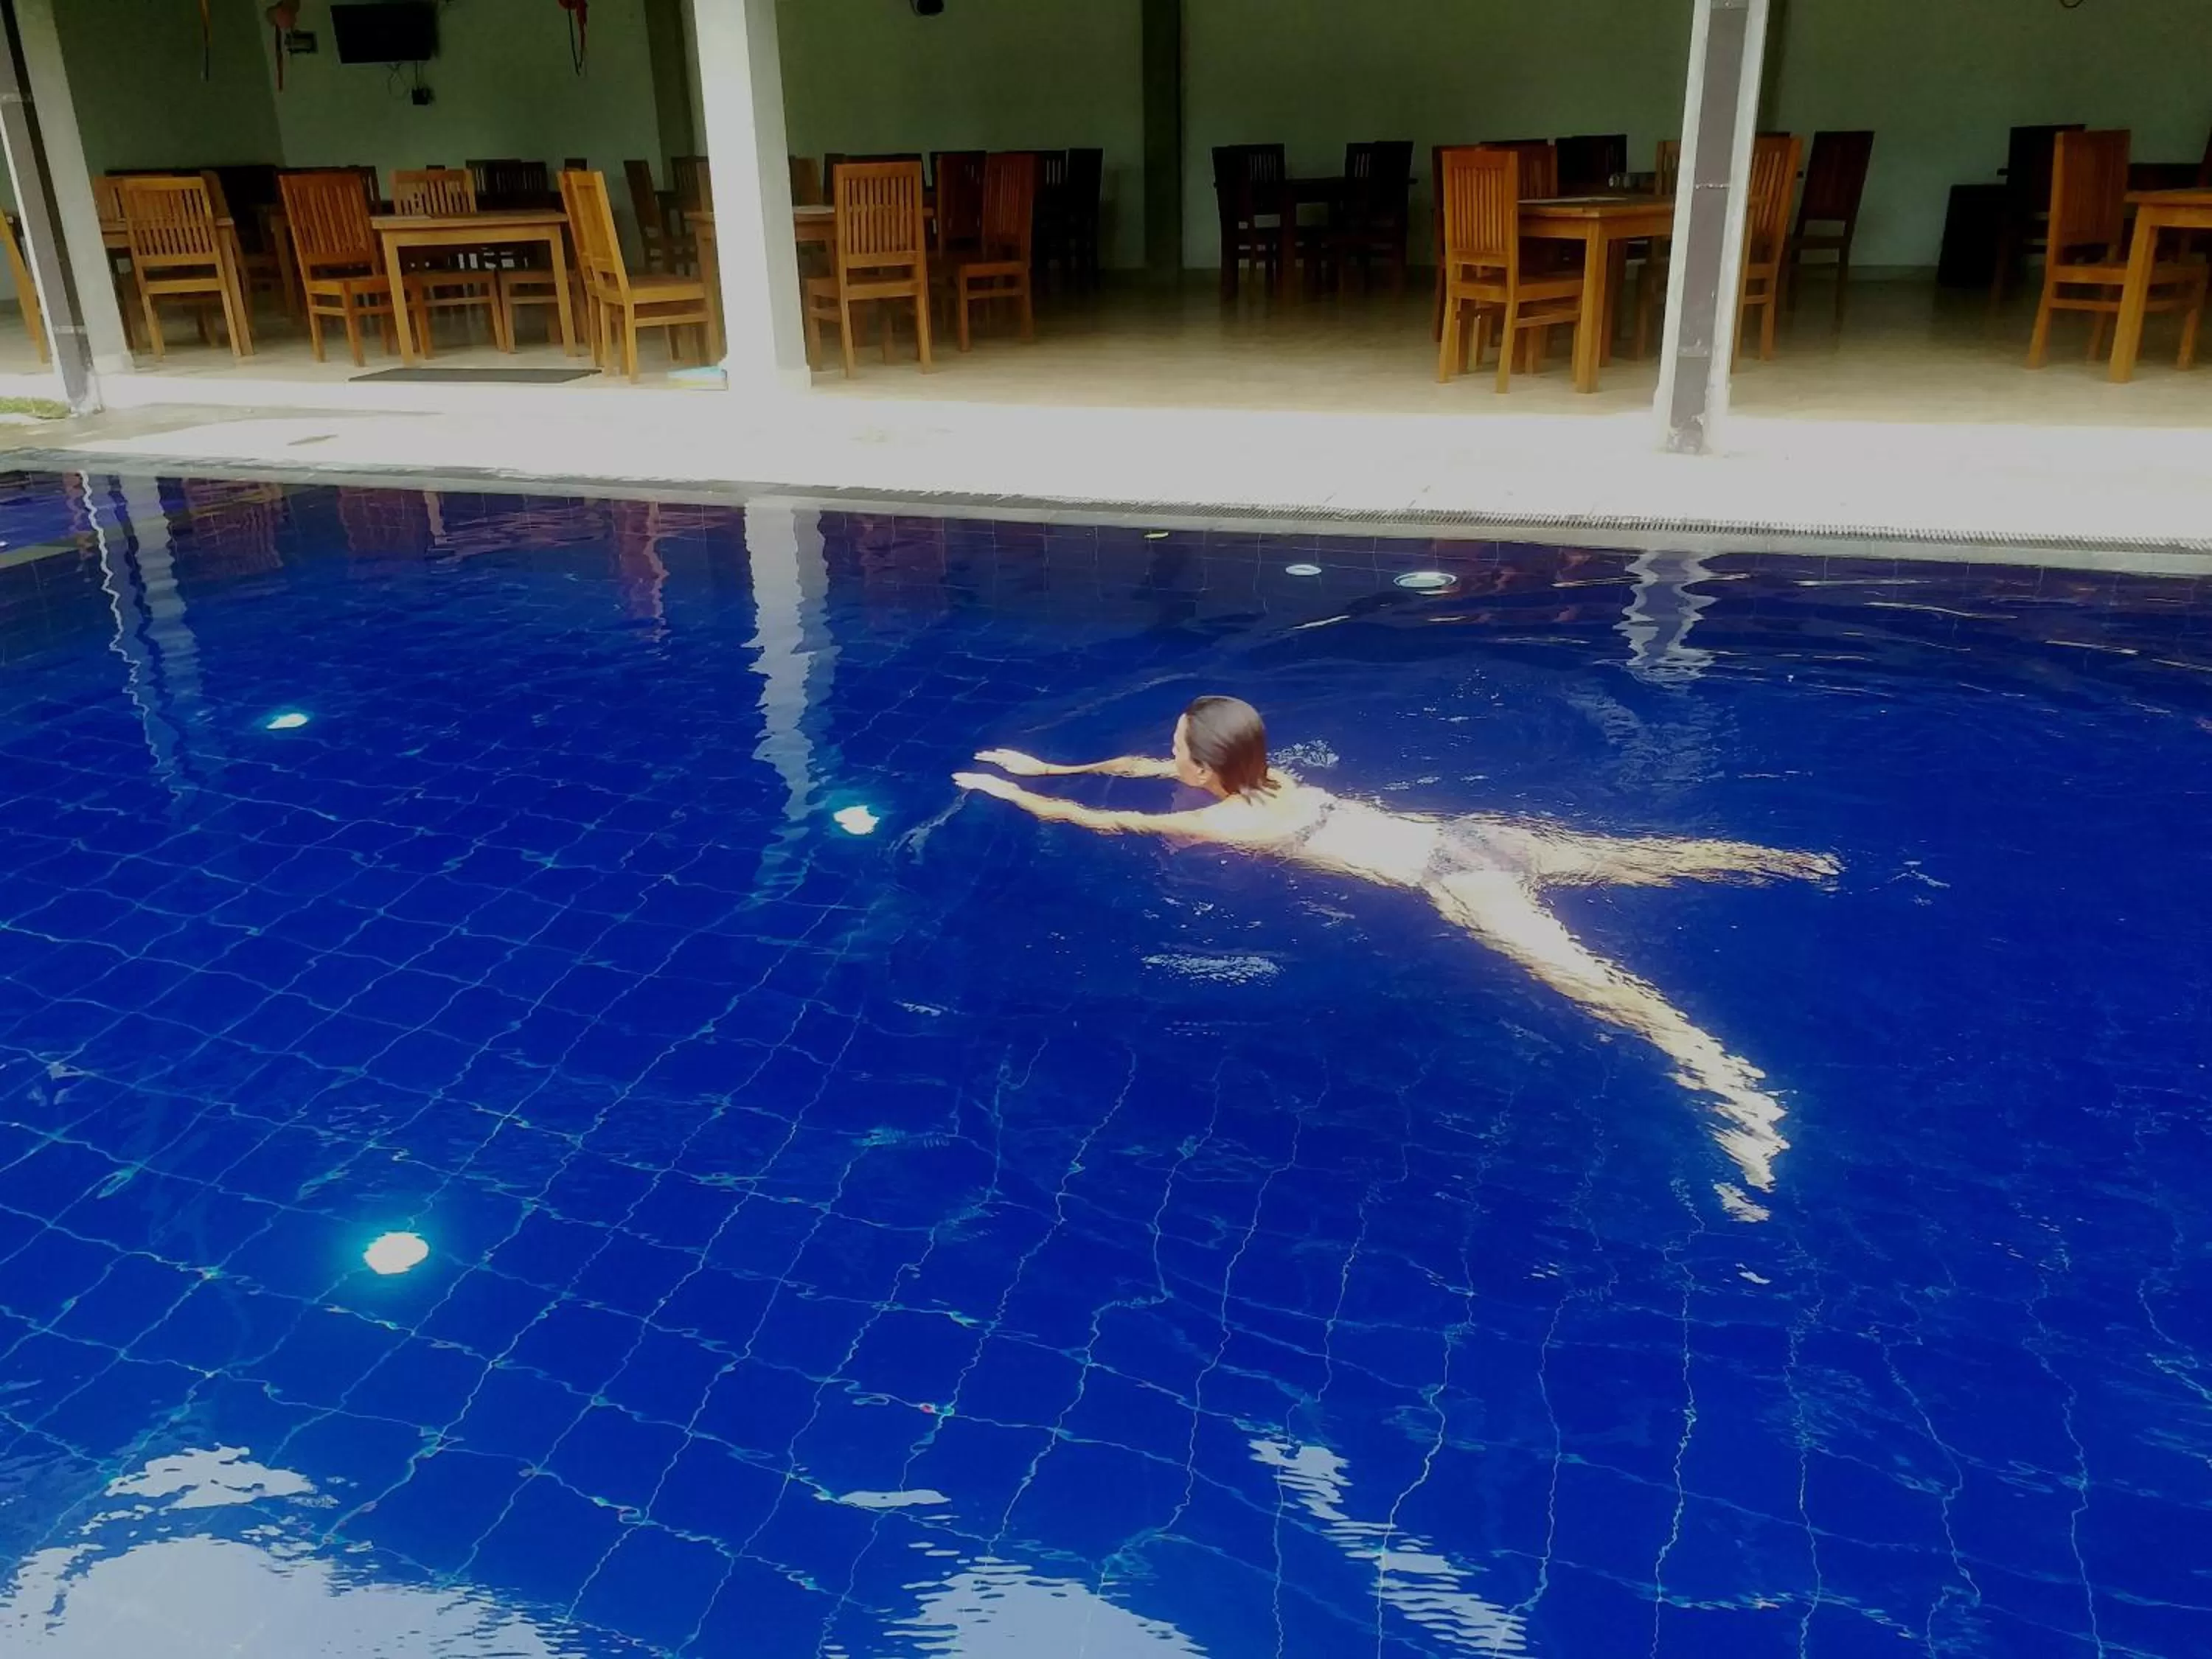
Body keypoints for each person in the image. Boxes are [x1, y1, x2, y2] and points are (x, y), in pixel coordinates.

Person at [953, 695, 1838, 1208]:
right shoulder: (1274, 778)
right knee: (1637, 860)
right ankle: (1787, 863)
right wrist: (1046, 764)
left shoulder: (1224, 826)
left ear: (1206, 768)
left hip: (1459, 882)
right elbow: (1139, 772)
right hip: (1469, 833)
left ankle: (1731, 1090)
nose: (1163, 751)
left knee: (1602, 992)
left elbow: (1102, 818)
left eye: (1176, 746)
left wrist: (1013, 792)